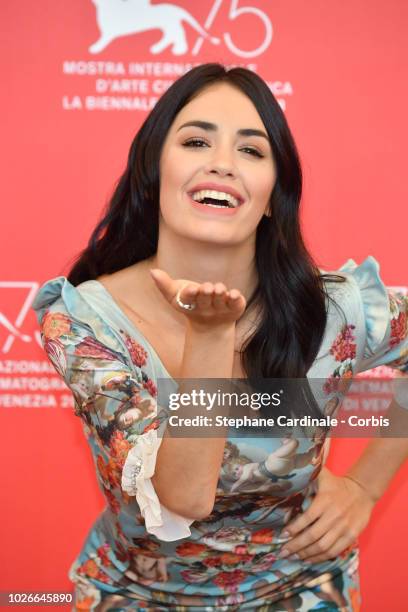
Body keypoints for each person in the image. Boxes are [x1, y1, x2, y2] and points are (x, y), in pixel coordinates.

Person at [32, 63, 408, 611]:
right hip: (136, 593)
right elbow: (182, 498)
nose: (222, 164)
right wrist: (208, 335)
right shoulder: (85, 322)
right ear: (153, 167)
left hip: (299, 589)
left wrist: (366, 487)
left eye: (252, 151)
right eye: (196, 140)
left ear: (274, 190)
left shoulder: (335, 311)